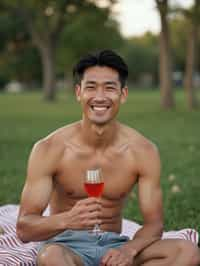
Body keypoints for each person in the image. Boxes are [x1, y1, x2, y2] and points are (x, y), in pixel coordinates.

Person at [16, 50, 200, 266]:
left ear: (123, 94)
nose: (100, 97)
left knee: (188, 252)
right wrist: (67, 219)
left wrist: (128, 250)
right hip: (66, 247)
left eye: (110, 88)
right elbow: (24, 228)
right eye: (91, 87)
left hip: (115, 247)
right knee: (50, 257)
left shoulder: (143, 151)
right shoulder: (49, 149)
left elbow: (154, 224)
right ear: (78, 92)